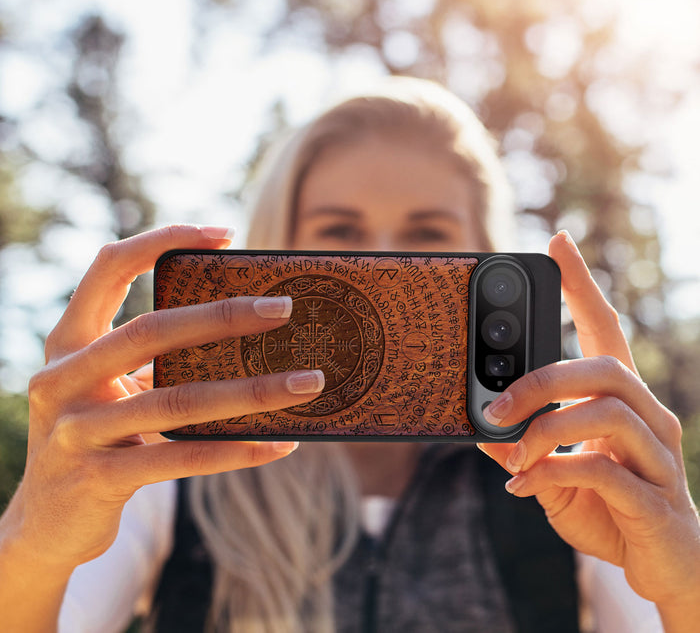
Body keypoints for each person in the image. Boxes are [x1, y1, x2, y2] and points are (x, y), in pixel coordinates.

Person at [0, 78, 698, 633]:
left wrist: (685, 581)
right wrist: (34, 540)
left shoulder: (567, 476)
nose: (385, 261)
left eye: (427, 235)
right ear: (279, 246)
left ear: (487, 257)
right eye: (340, 232)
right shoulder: (171, 468)